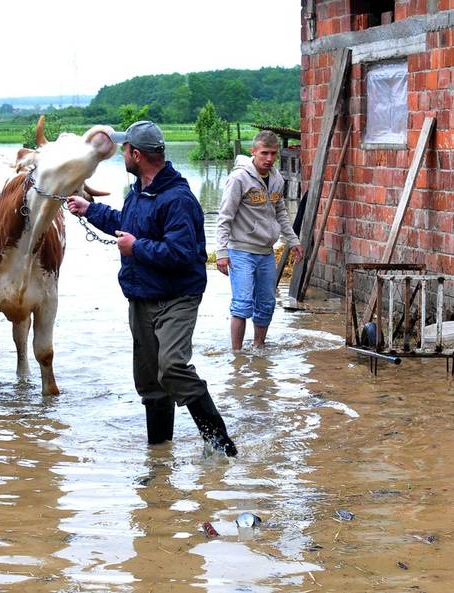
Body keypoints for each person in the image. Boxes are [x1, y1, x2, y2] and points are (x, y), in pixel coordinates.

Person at [67, 121, 237, 456]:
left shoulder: (178, 199)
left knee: (172, 366)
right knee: (149, 381)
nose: (122, 155)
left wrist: (136, 248)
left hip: (177, 297)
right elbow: (127, 225)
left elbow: (182, 253)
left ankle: (220, 445)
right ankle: (159, 456)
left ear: (137, 155)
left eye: (125, 150)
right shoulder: (139, 192)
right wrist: (90, 210)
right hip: (142, 297)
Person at [216, 130, 303, 351]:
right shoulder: (239, 178)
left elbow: (280, 212)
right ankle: (236, 354)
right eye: (264, 153)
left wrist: (293, 241)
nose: (269, 158)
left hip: (266, 252)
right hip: (241, 250)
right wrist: (221, 253)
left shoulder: (277, 178)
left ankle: (259, 349)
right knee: (242, 303)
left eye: (273, 153)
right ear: (253, 151)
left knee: (266, 303)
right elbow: (225, 216)